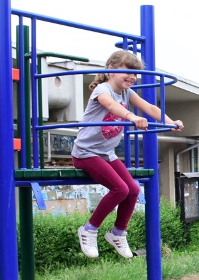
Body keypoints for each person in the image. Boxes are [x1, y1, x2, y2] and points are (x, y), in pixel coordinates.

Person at [73, 49, 183, 259]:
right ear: (111, 70)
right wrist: (131, 116)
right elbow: (110, 105)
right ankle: (89, 229)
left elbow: (149, 107)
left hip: (106, 153)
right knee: (119, 189)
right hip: (86, 153)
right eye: (128, 72)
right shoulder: (102, 89)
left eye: (135, 74)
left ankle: (117, 232)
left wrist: (170, 122)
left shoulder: (127, 92)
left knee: (132, 189)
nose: (132, 77)